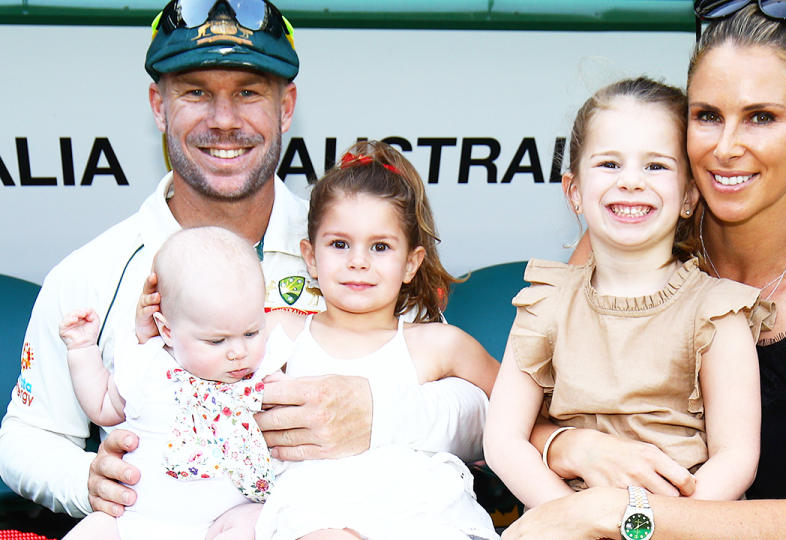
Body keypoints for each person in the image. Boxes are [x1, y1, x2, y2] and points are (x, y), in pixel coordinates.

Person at [0, 0, 486, 520]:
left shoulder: (351, 244)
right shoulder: (92, 272)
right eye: (195, 92)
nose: (224, 120)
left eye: (249, 92)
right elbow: (28, 435)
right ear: (159, 105)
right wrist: (87, 480)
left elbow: (479, 414)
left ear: (286, 105)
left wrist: (382, 415)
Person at [502, 1, 786, 539]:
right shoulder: (630, 239)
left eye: (761, 117)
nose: (726, 147)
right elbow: (513, 407)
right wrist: (573, 444)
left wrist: (609, 513)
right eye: (708, 115)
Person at [483, 77, 768, 512]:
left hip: (687, 524)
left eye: (656, 166)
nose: (631, 181)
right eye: (609, 164)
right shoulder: (545, 304)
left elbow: (737, 458)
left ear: (690, 194)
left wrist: (651, 525)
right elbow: (503, 441)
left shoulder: (716, 311)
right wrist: (574, 520)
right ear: (574, 191)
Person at [246, 140, 499, 540]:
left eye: (380, 247)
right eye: (339, 244)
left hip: (425, 517)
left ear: (411, 263)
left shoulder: (439, 343)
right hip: (317, 516)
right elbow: (198, 374)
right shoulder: (280, 331)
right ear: (310, 257)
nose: (358, 261)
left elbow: (519, 409)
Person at [60, 227, 287, 540]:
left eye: (251, 333)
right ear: (167, 331)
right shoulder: (149, 364)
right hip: (135, 523)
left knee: (256, 521)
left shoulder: (265, 371)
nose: (239, 352)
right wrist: (82, 350)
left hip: (219, 524)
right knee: (96, 528)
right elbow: (102, 406)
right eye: (217, 340)